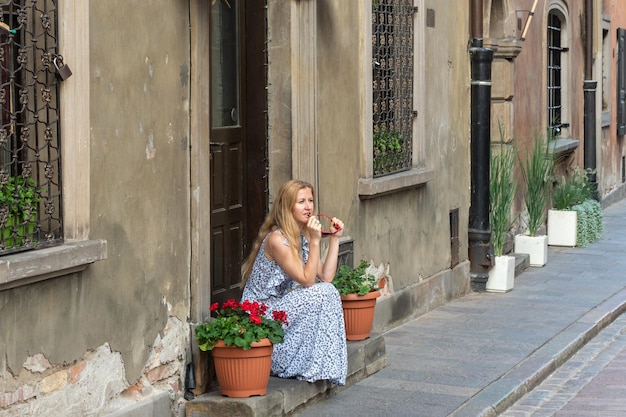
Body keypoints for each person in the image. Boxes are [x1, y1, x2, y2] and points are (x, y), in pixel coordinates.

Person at [241, 179, 348, 385]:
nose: (308, 206)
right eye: (301, 201)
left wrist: (335, 238)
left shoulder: (302, 236)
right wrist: (316, 241)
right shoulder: (277, 239)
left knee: (327, 290)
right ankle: (285, 361)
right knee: (323, 293)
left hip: (281, 310)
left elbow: (326, 276)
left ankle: (320, 365)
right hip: (261, 314)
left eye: (310, 200)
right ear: (287, 206)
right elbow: (308, 280)